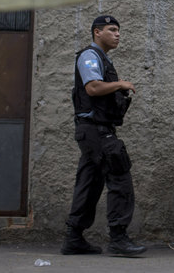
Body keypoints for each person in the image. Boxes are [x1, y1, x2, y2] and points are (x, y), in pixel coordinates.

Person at [61, 15, 146, 256]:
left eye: (118, 30)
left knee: (89, 183)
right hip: (95, 129)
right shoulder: (90, 56)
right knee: (120, 178)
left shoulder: (102, 58)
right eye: (112, 29)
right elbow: (93, 88)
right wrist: (121, 84)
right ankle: (118, 238)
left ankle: (73, 238)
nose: (117, 34)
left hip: (94, 130)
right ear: (97, 32)